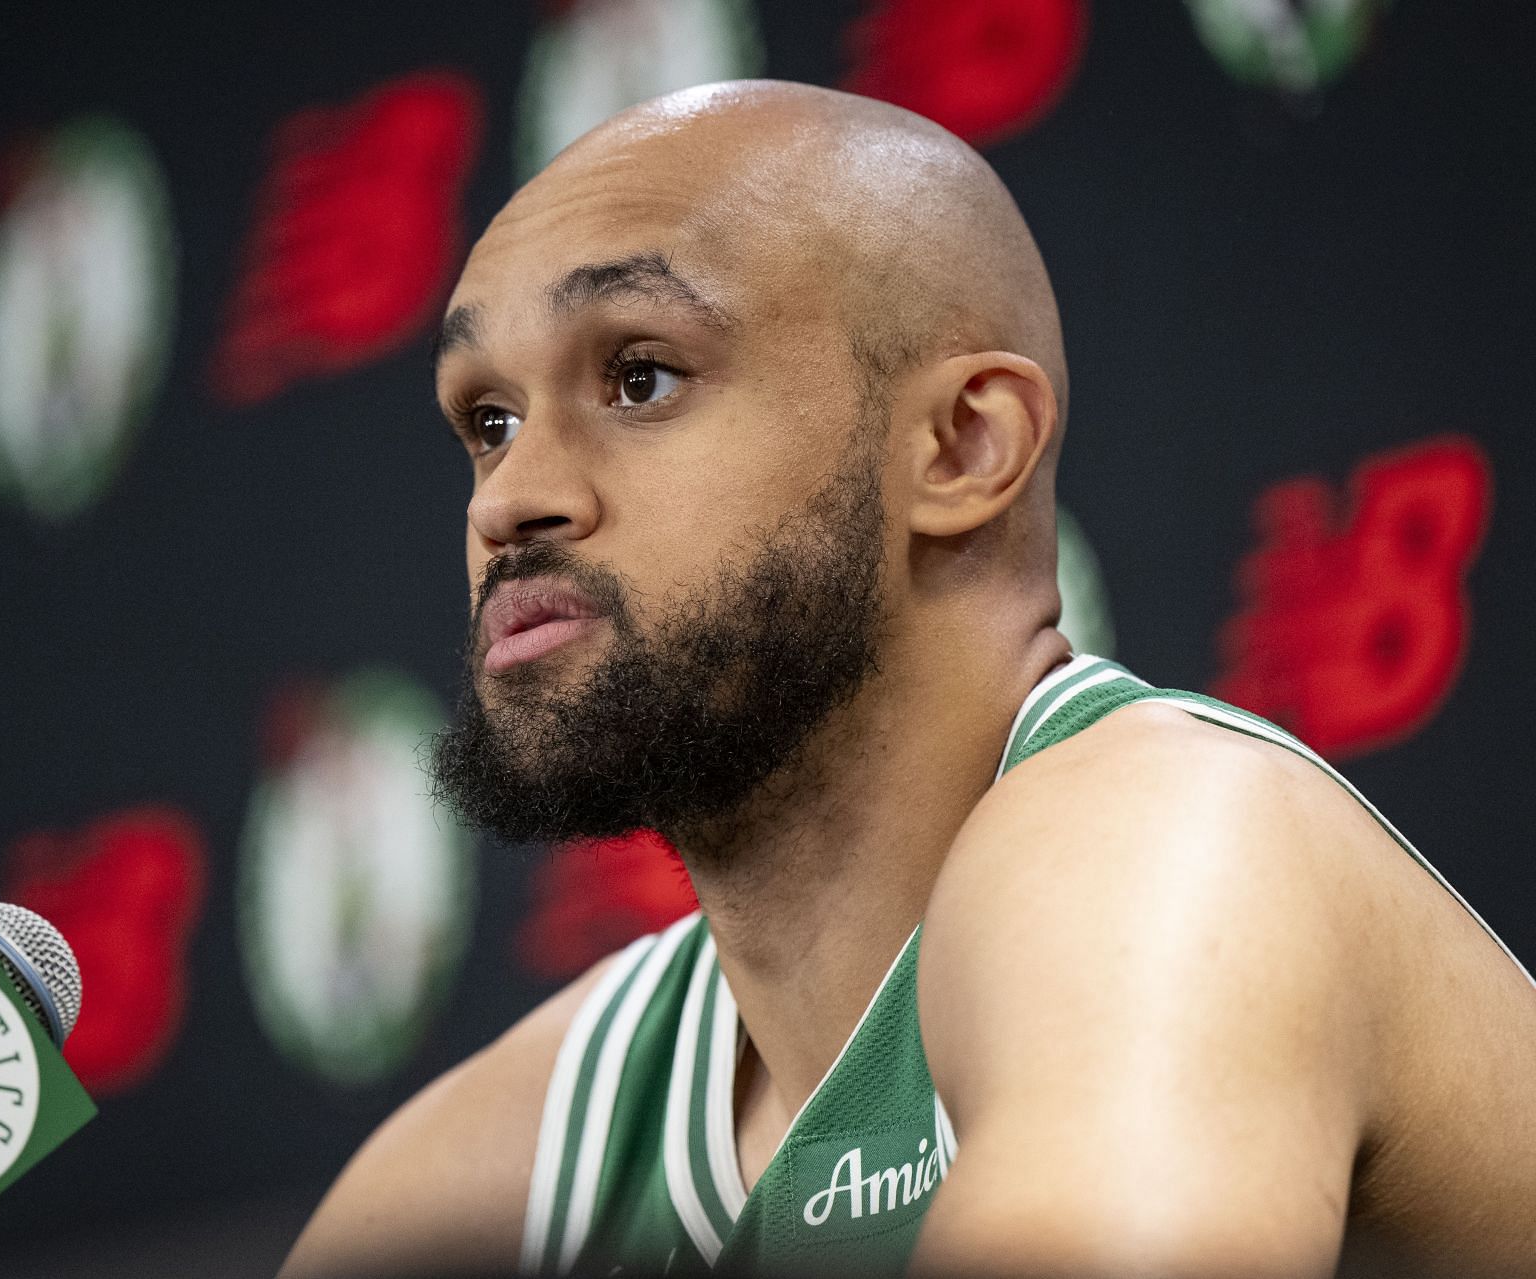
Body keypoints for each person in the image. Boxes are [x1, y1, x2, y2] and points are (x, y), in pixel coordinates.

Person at [281, 80, 1536, 1277]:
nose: (510, 499)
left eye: (639, 376)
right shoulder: (521, 1148)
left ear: (962, 444)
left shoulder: (1173, 843)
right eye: (487, 420)